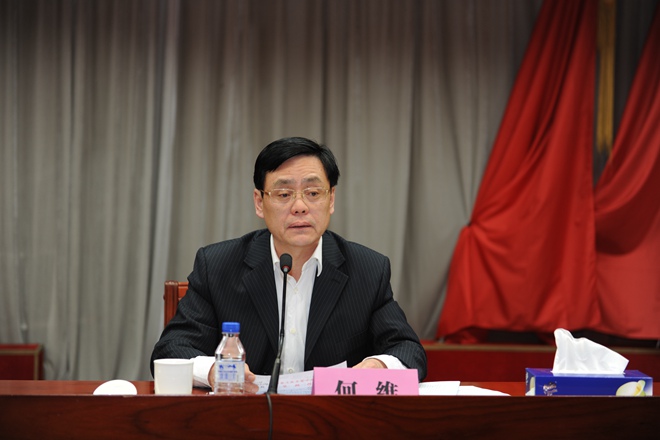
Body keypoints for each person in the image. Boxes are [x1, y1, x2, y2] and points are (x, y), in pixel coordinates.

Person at [151, 137, 427, 391]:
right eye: (284, 194)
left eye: (313, 193)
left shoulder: (367, 270)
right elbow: (171, 350)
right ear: (259, 202)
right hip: (246, 417)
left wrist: (379, 366)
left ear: (331, 199)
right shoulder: (217, 266)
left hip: (331, 420)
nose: (299, 206)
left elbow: (408, 351)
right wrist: (215, 371)